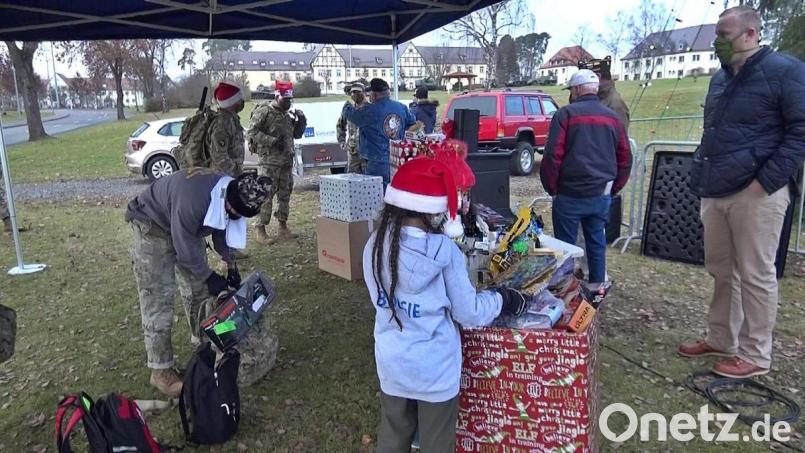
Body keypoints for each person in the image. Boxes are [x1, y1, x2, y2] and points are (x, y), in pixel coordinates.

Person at [364, 157, 526, 452]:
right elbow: (470, 313)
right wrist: (502, 298)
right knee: (436, 443)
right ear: (436, 210)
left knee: (392, 437)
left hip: (392, 363)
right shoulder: (446, 252)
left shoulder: (375, 244)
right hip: (434, 371)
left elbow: (380, 298)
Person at [679, 6, 805, 379]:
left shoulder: (786, 71)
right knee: (722, 270)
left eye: (724, 34)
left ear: (751, 35)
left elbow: (800, 131)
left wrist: (765, 182)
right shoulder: (721, 79)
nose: (718, 41)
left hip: (758, 193)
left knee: (756, 273)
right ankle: (722, 338)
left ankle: (755, 355)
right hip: (716, 188)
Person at [125, 169, 271, 396]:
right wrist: (210, 277)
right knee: (158, 299)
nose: (233, 215)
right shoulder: (193, 201)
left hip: (184, 225)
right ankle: (161, 371)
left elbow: (223, 227)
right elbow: (184, 250)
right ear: (227, 200)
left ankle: (205, 346)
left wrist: (230, 264)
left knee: (199, 290)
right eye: (232, 211)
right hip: (152, 224)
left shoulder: (230, 192)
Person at [539, 69, 632, 295]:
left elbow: (553, 156)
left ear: (578, 89)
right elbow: (625, 157)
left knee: (566, 246)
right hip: (600, 193)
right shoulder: (612, 118)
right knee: (596, 240)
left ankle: (566, 290)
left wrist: (552, 188)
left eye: (571, 89)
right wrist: (613, 187)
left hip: (569, 193)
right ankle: (597, 285)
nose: (570, 93)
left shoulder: (566, 115)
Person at [247, 80, 307, 245]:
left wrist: (301, 121)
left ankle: (283, 227)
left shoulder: (287, 114)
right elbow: (251, 132)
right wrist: (271, 141)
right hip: (269, 163)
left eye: (290, 100)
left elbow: (296, 135)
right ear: (276, 95)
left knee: (285, 194)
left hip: (286, 162)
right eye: (285, 99)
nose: (288, 103)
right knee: (265, 195)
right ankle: (260, 230)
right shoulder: (265, 111)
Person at [342, 78, 416, 185]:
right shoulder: (401, 107)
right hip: (398, 158)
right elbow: (414, 124)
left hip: (377, 162)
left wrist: (347, 105)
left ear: (374, 95)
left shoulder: (370, 110)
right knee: (396, 192)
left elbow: (353, 116)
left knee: (376, 195)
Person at [206, 82, 246, 177]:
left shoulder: (231, 120)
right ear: (232, 102)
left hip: (228, 177)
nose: (241, 102)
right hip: (222, 179)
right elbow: (219, 157)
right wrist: (236, 172)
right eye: (239, 100)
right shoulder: (222, 124)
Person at [336, 82, 368, 173]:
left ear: (364, 93)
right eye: (353, 92)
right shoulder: (349, 110)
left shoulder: (371, 109)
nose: (355, 95)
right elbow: (340, 125)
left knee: (368, 179)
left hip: (367, 152)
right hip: (353, 152)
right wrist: (341, 140)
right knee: (352, 179)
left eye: (358, 92)